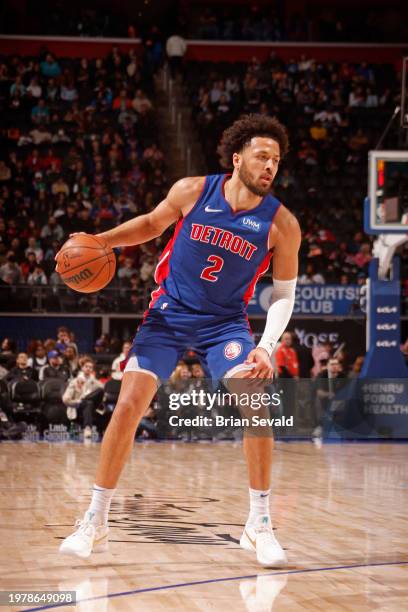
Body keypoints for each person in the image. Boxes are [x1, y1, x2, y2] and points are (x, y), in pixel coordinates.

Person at [58, 114, 300, 567]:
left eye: (276, 160)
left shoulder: (282, 224)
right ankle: (96, 518)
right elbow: (151, 224)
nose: (270, 166)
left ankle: (259, 524)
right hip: (169, 314)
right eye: (262, 156)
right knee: (129, 402)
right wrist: (100, 241)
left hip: (224, 324)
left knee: (255, 400)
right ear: (237, 157)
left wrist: (265, 345)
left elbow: (284, 294)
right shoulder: (194, 190)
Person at [62, 357, 104, 437]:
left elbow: (102, 393)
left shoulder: (95, 382)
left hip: (93, 406)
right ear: (82, 368)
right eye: (86, 366)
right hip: (78, 407)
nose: (88, 369)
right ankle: (87, 428)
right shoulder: (74, 382)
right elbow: (65, 399)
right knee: (88, 403)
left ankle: (98, 430)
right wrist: (77, 402)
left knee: (100, 390)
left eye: (90, 367)